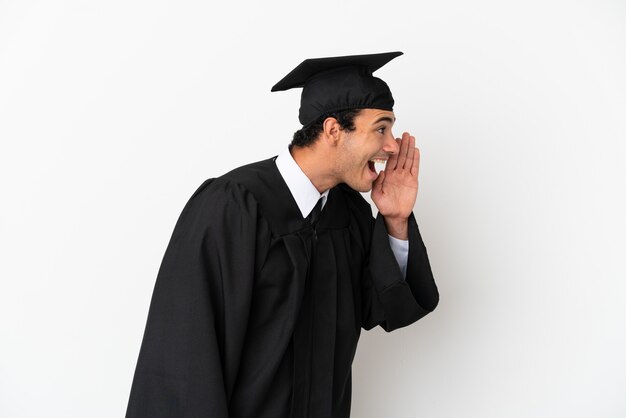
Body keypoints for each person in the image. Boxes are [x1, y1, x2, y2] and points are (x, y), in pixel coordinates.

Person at [125, 51, 439, 418]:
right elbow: (185, 352)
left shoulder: (348, 212)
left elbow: (386, 310)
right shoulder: (234, 206)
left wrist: (396, 220)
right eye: (380, 128)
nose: (392, 145)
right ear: (334, 130)